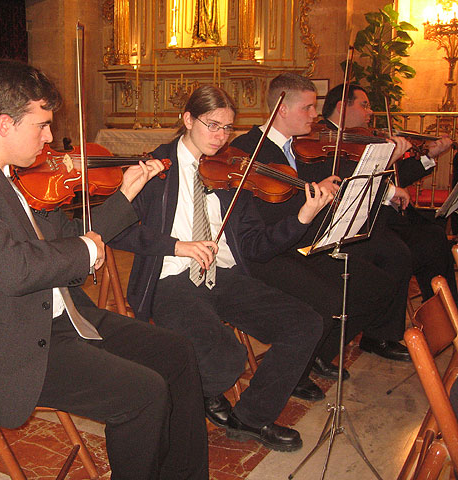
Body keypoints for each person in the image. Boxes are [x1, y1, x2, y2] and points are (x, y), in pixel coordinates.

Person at [0, 59, 208, 480]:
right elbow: (14, 268)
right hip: (9, 342)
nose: (50, 137)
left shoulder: (4, 172)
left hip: (61, 316)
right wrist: (87, 250)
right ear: (3, 123)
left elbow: (68, 234)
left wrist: (124, 197)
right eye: (43, 125)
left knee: (176, 353)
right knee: (144, 394)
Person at [110, 85, 332, 452]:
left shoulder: (232, 173)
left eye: (227, 128)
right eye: (212, 125)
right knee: (226, 358)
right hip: (171, 279)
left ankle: (251, 418)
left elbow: (258, 246)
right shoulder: (155, 168)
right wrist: (177, 246)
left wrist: (303, 216)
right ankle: (189, 394)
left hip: (223, 274)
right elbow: (117, 231)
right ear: (187, 119)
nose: (220, 137)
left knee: (306, 323)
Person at [230, 74, 412, 395]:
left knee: (378, 287)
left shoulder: (304, 147)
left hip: (307, 243)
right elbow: (264, 219)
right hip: (269, 252)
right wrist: (310, 200)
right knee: (328, 299)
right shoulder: (246, 150)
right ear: (282, 109)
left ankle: (315, 354)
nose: (316, 115)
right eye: (309, 108)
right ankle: (294, 373)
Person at [321, 83, 456, 302]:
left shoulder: (361, 137)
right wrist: (388, 169)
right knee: (419, 247)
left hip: (386, 215)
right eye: (364, 105)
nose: (370, 111)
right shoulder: (324, 140)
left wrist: (428, 156)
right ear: (342, 107)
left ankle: (442, 317)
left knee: (435, 236)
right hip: (368, 221)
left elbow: (397, 175)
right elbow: (347, 180)